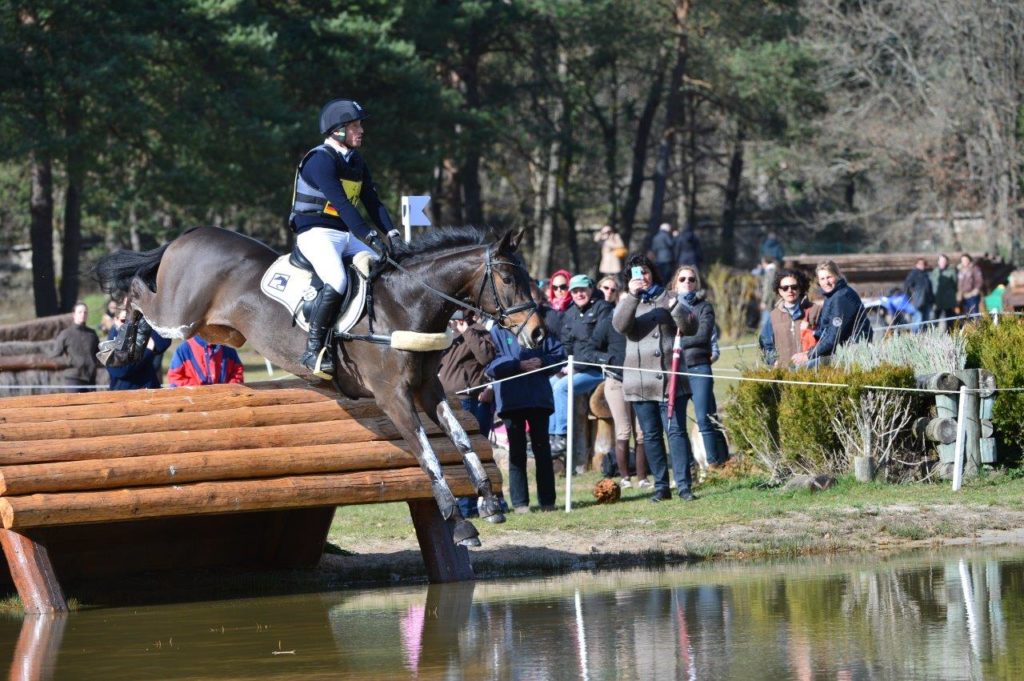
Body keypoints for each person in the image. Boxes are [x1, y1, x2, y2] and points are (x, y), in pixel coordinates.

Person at [288, 98, 403, 377]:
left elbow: (372, 202)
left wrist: (392, 234)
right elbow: (342, 203)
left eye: (360, 125)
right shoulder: (319, 160)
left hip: (344, 233)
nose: (360, 130)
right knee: (337, 280)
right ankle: (313, 350)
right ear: (337, 131)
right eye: (354, 126)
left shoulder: (356, 161)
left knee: (383, 266)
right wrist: (368, 235)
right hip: (315, 232)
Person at [612, 254, 698, 502]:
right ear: (630, 279)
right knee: (650, 436)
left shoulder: (670, 296)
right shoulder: (628, 301)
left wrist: (672, 305)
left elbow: (691, 326)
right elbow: (620, 326)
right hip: (640, 383)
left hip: (671, 381)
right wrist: (631, 296)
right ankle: (661, 486)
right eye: (637, 274)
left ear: (653, 273)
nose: (643, 278)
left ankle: (684, 486)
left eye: (646, 272)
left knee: (676, 433)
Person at [486, 324, 566, 513]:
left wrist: (541, 362)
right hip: (511, 400)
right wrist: (517, 365)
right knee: (517, 452)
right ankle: (520, 503)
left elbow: (558, 355)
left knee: (542, 450)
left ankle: (548, 502)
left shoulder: (539, 326)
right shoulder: (497, 331)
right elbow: (490, 364)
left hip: (538, 398)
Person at [438, 309, 500, 521]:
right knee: (452, 455)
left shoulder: (479, 331)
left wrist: (467, 332)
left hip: (468, 400)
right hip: (446, 400)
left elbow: (486, 357)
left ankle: (470, 506)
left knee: (470, 452)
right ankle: (458, 503)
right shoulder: (446, 334)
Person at [591, 283, 649, 488]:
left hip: (642, 381)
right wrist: (607, 359)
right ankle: (625, 478)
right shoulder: (608, 322)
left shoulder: (643, 322)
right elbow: (591, 348)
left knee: (641, 432)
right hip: (616, 381)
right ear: (618, 301)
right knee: (623, 430)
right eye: (625, 300)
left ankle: (642, 478)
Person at [548, 274, 613, 456]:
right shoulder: (570, 313)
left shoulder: (603, 309)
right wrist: (562, 365)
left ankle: (562, 436)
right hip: (574, 366)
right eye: (575, 291)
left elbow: (597, 343)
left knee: (561, 388)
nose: (579, 294)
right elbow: (566, 344)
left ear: (591, 289)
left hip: (597, 368)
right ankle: (551, 435)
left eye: (582, 290)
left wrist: (576, 365)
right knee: (552, 382)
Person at [672, 265, 726, 466]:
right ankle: (687, 468)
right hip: (674, 371)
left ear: (697, 283)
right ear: (675, 283)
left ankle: (714, 465)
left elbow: (702, 336)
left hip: (699, 367)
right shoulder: (667, 306)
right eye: (683, 279)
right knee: (677, 425)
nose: (687, 282)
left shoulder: (704, 307)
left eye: (691, 279)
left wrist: (676, 344)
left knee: (706, 419)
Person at [792, 260, 871, 368]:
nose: (826, 282)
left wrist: (809, 355)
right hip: (839, 350)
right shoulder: (832, 296)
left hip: (851, 351)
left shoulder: (841, 297)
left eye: (829, 277)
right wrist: (810, 350)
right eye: (822, 279)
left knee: (802, 369)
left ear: (837, 276)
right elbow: (826, 331)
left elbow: (834, 336)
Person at [759, 268, 821, 369]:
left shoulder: (815, 310)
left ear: (800, 288)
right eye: (785, 288)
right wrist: (773, 361)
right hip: (785, 373)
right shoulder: (773, 316)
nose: (790, 291)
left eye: (794, 287)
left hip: (812, 372)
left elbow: (826, 340)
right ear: (779, 291)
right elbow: (766, 344)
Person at [106, 310, 171, 390]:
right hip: (125, 395)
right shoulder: (110, 346)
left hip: (150, 390)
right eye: (123, 320)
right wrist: (147, 351)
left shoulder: (136, 334)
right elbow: (121, 371)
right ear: (115, 320)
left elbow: (164, 341)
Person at [51, 301, 99, 392]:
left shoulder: (92, 334)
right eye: (80, 312)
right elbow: (55, 355)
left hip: (90, 378)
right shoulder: (65, 334)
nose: (83, 314)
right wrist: (70, 362)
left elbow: (98, 354)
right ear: (74, 314)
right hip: (73, 378)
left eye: (85, 312)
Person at [166, 336, 245, 387]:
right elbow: (174, 377)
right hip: (192, 404)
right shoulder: (185, 349)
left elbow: (237, 371)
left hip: (224, 402)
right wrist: (196, 389)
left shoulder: (228, 349)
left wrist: (229, 388)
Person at [903, 258, 934, 332]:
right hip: (917, 302)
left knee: (925, 321)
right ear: (916, 265)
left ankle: (924, 338)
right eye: (920, 264)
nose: (922, 265)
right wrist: (911, 299)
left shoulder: (927, 275)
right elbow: (907, 287)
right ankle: (915, 338)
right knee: (917, 320)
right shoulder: (913, 274)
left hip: (927, 301)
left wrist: (932, 299)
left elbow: (930, 288)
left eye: (923, 264)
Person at [542, 269, 573, 337]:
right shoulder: (546, 307)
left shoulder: (575, 305)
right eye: (555, 287)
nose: (559, 290)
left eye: (563, 287)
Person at [931, 253, 958, 330]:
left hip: (948, 300)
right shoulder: (935, 271)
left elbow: (955, 284)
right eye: (941, 261)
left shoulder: (952, 271)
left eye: (944, 261)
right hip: (937, 300)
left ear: (947, 262)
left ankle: (951, 336)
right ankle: (934, 336)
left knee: (950, 320)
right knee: (935, 320)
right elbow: (933, 285)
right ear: (938, 262)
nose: (942, 263)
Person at [957, 253, 984, 319]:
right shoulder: (960, 270)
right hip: (963, 296)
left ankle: (977, 328)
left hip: (972, 296)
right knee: (965, 316)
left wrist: (976, 290)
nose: (964, 261)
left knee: (974, 314)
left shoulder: (975, 268)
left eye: (966, 260)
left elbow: (980, 280)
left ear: (969, 260)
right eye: (963, 260)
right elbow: (959, 283)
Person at [757, 256, 778, 332]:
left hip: (769, 301)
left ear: (765, 262)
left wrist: (764, 301)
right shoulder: (775, 270)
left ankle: (765, 339)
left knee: (766, 322)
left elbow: (767, 288)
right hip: (773, 300)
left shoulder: (769, 272)